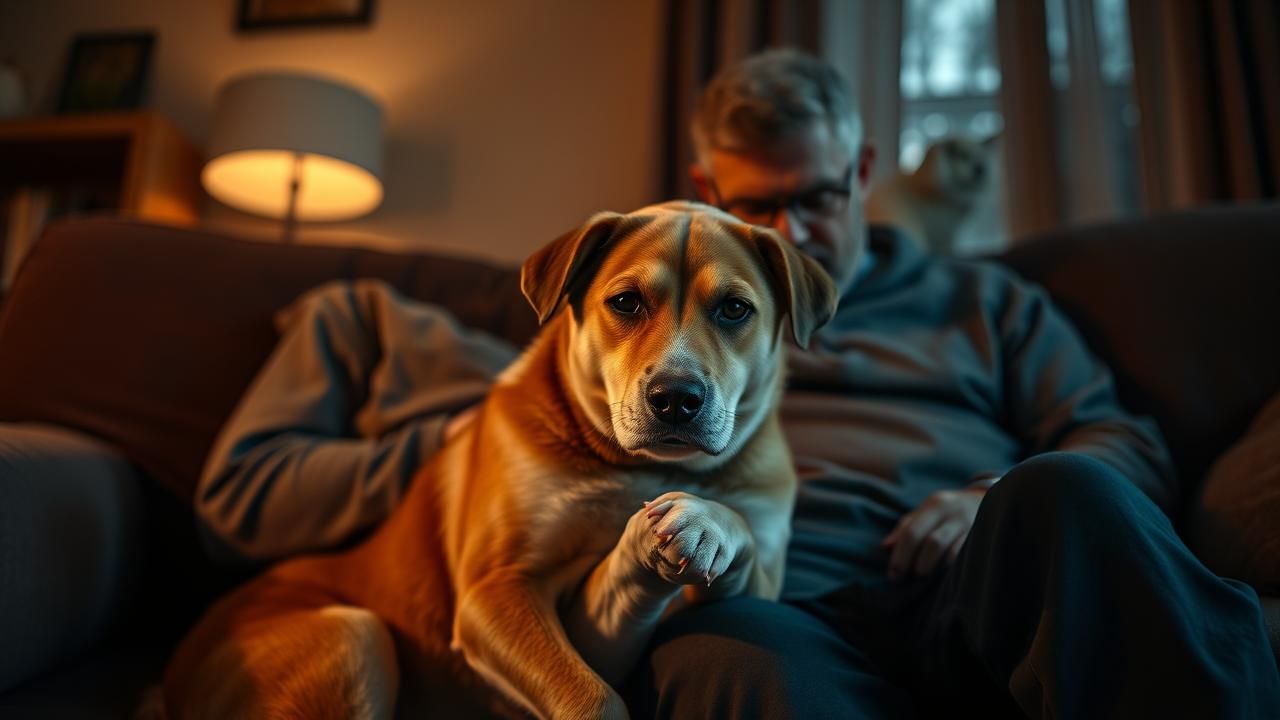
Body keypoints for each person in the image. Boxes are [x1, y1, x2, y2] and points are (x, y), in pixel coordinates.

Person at [195, 50, 1280, 718]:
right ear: (707, 189)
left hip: (967, 585)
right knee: (722, 658)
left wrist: (985, 499)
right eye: (757, 205)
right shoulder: (670, 303)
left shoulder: (981, 304)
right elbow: (545, 409)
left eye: (816, 197)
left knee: (1065, 493)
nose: (788, 233)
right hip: (783, 605)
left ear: (859, 174)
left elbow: (1116, 441)